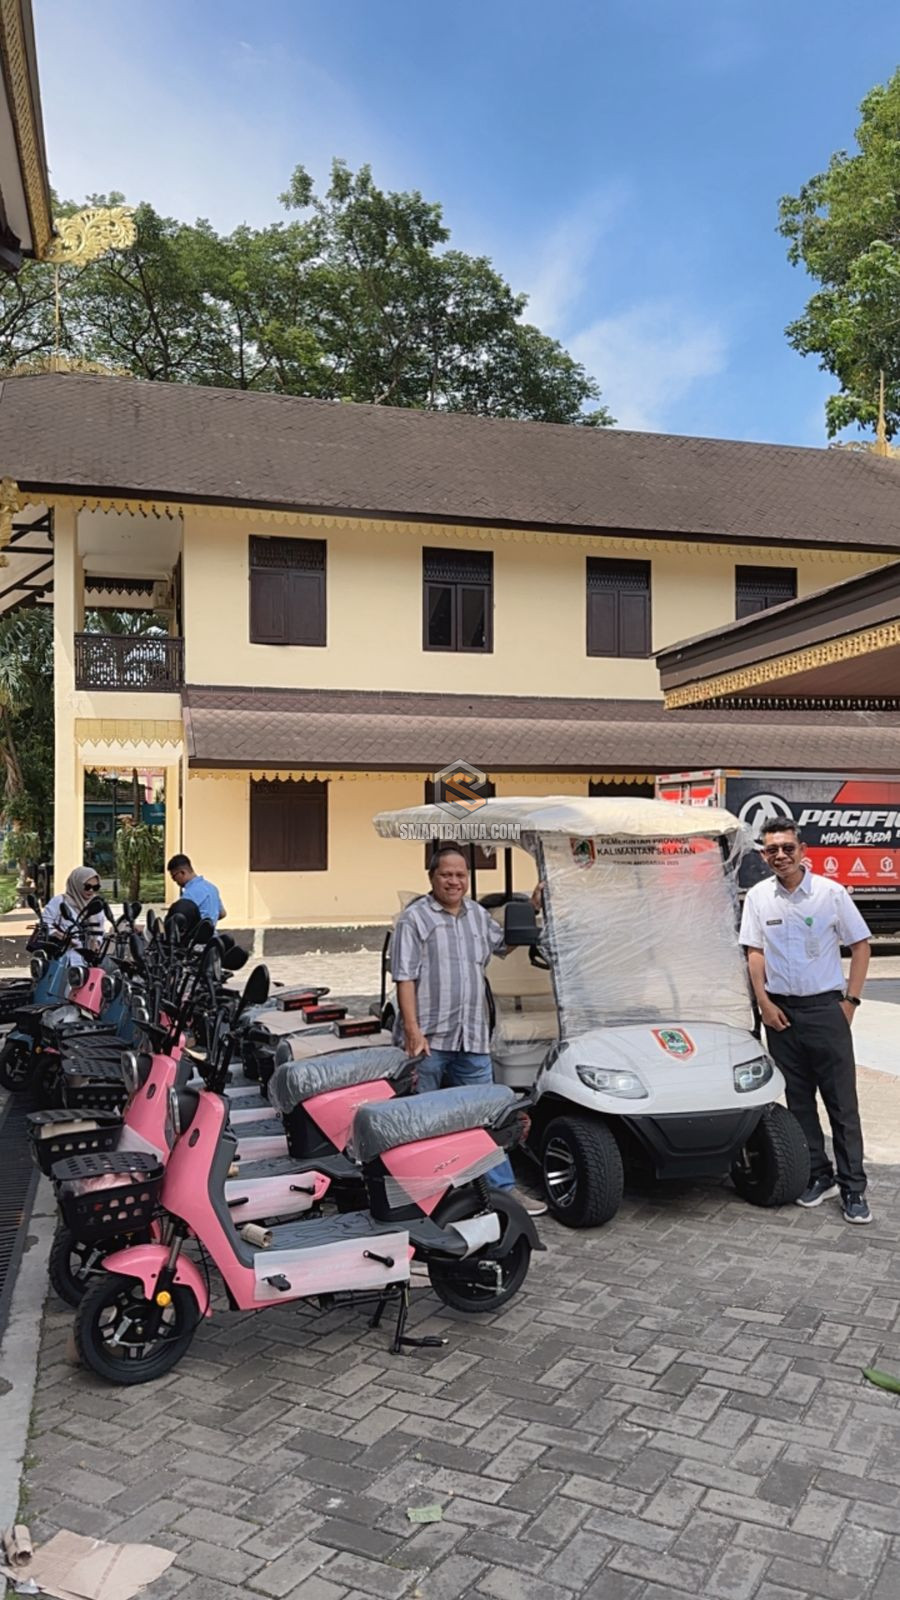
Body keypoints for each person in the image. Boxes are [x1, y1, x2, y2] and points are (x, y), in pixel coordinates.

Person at [391, 842, 547, 1216]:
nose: (454, 881)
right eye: (446, 874)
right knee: (422, 1123)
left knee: (486, 1118)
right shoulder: (415, 920)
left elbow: (504, 945)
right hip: (429, 1039)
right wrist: (413, 1031)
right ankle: (424, 1200)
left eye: (461, 875)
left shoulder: (478, 915)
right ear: (432, 877)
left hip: (472, 1037)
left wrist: (534, 908)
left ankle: (502, 1194)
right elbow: (404, 978)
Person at [739, 818, 872, 1225]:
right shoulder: (759, 897)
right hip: (781, 1015)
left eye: (787, 848)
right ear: (763, 854)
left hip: (825, 1011)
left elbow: (860, 945)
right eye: (771, 849)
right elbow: (754, 952)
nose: (779, 855)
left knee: (841, 1106)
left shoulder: (830, 894)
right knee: (798, 1104)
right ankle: (820, 1175)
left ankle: (853, 1189)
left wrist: (850, 1001)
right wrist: (763, 1002)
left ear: (803, 850)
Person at [38, 866, 106, 962]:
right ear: (77, 884)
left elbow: (101, 928)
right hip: (61, 957)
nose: (91, 890)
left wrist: (97, 942)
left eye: (95, 887)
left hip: (88, 959)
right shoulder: (59, 902)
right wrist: (60, 935)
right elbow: (44, 924)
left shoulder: (96, 904)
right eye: (87, 886)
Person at [166, 854, 225, 925]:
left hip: (195, 935)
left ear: (182, 872)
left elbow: (178, 918)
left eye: (174, 877)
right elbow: (222, 913)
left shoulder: (190, 893)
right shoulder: (212, 888)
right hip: (212, 934)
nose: (174, 880)